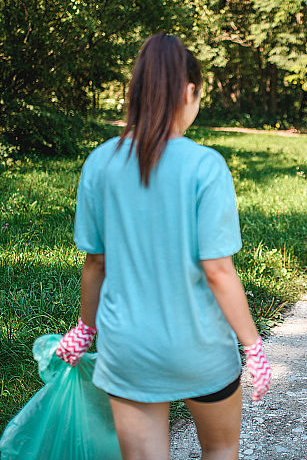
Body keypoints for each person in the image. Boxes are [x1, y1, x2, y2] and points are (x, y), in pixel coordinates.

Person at [55, 34, 271, 460]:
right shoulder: (206, 165)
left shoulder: (100, 162)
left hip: (128, 351)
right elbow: (218, 270)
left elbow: (94, 264)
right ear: (189, 91)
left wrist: (85, 328)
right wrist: (253, 345)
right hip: (201, 352)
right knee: (221, 449)